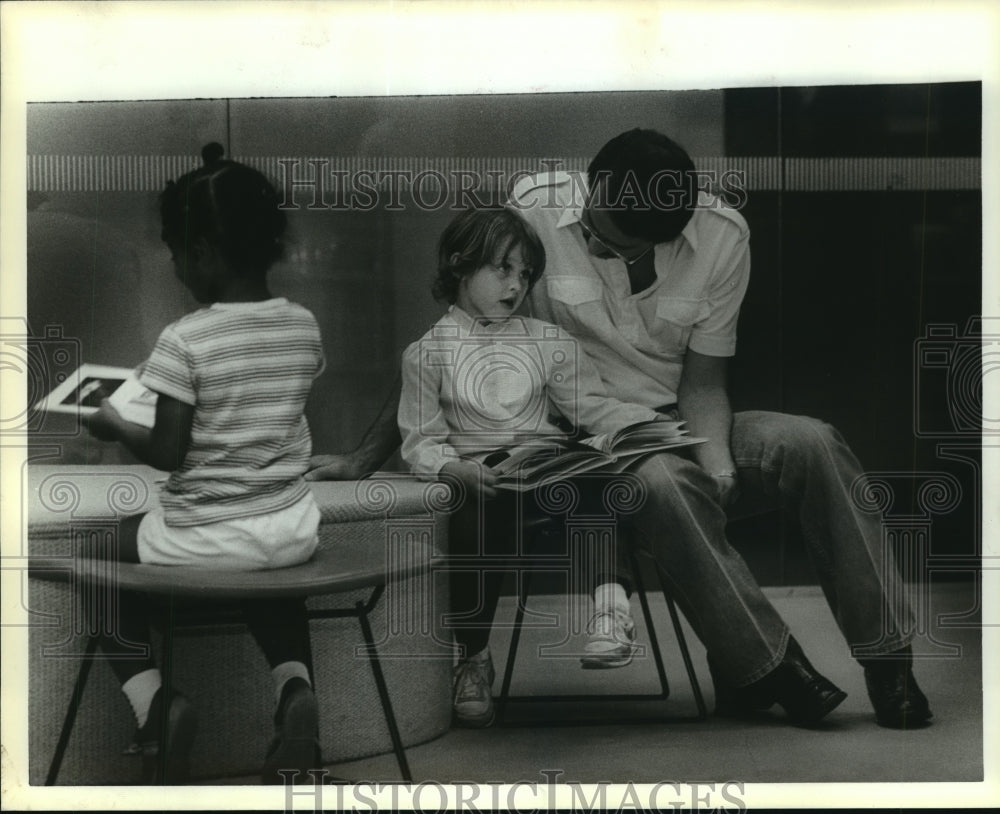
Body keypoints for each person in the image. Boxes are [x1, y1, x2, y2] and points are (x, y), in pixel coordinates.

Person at [310, 128, 931, 731]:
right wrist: (365, 456)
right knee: (661, 480)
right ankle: (770, 667)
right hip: (573, 438)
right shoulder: (536, 208)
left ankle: (890, 664)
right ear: (595, 187)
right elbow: (458, 340)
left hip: (664, 421)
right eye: (612, 243)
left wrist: (716, 464)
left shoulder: (722, 236)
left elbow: (705, 384)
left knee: (812, 442)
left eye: (644, 250)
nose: (626, 258)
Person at [83, 143, 327, 783]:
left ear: (202, 255)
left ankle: (155, 706)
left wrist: (112, 421)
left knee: (99, 557)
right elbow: (265, 406)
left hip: (205, 537)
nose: (175, 267)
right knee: (266, 577)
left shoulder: (185, 338)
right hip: (291, 531)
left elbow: (168, 452)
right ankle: (294, 691)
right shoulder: (303, 324)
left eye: (175, 254)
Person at [398, 206, 670, 726]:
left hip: (547, 476)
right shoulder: (428, 353)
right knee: (471, 511)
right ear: (460, 265)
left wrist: (652, 425)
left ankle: (611, 612)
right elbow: (419, 440)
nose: (516, 285)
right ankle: (472, 658)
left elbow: (592, 409)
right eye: (502, 269)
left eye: (525, 274)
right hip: (485, 483)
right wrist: (453, 469)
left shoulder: (547, 343)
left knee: (592, 481)